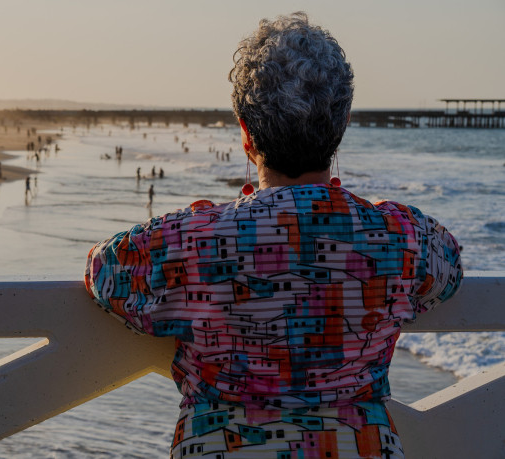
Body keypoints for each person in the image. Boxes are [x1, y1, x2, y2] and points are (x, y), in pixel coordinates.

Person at [84, 13, 463, 459]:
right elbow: (449, 263)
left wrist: (202, 218)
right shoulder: (400, 239)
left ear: (246, 135)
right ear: (338, 130)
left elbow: (105, 271)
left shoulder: (194, 243)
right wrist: (373, 217)